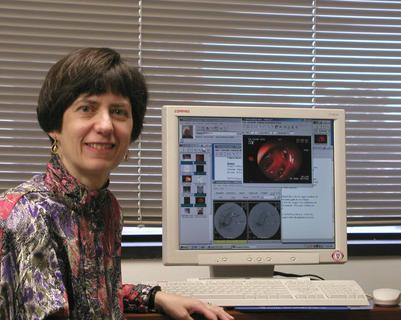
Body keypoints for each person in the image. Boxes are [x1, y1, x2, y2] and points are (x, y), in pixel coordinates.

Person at [0, 48, 234, 320]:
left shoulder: (106, 206)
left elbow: (90, 291)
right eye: (87, 108)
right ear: (55, 125)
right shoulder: (29, 215)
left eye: (119, 111)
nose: (106, 125)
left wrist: (154, 296)